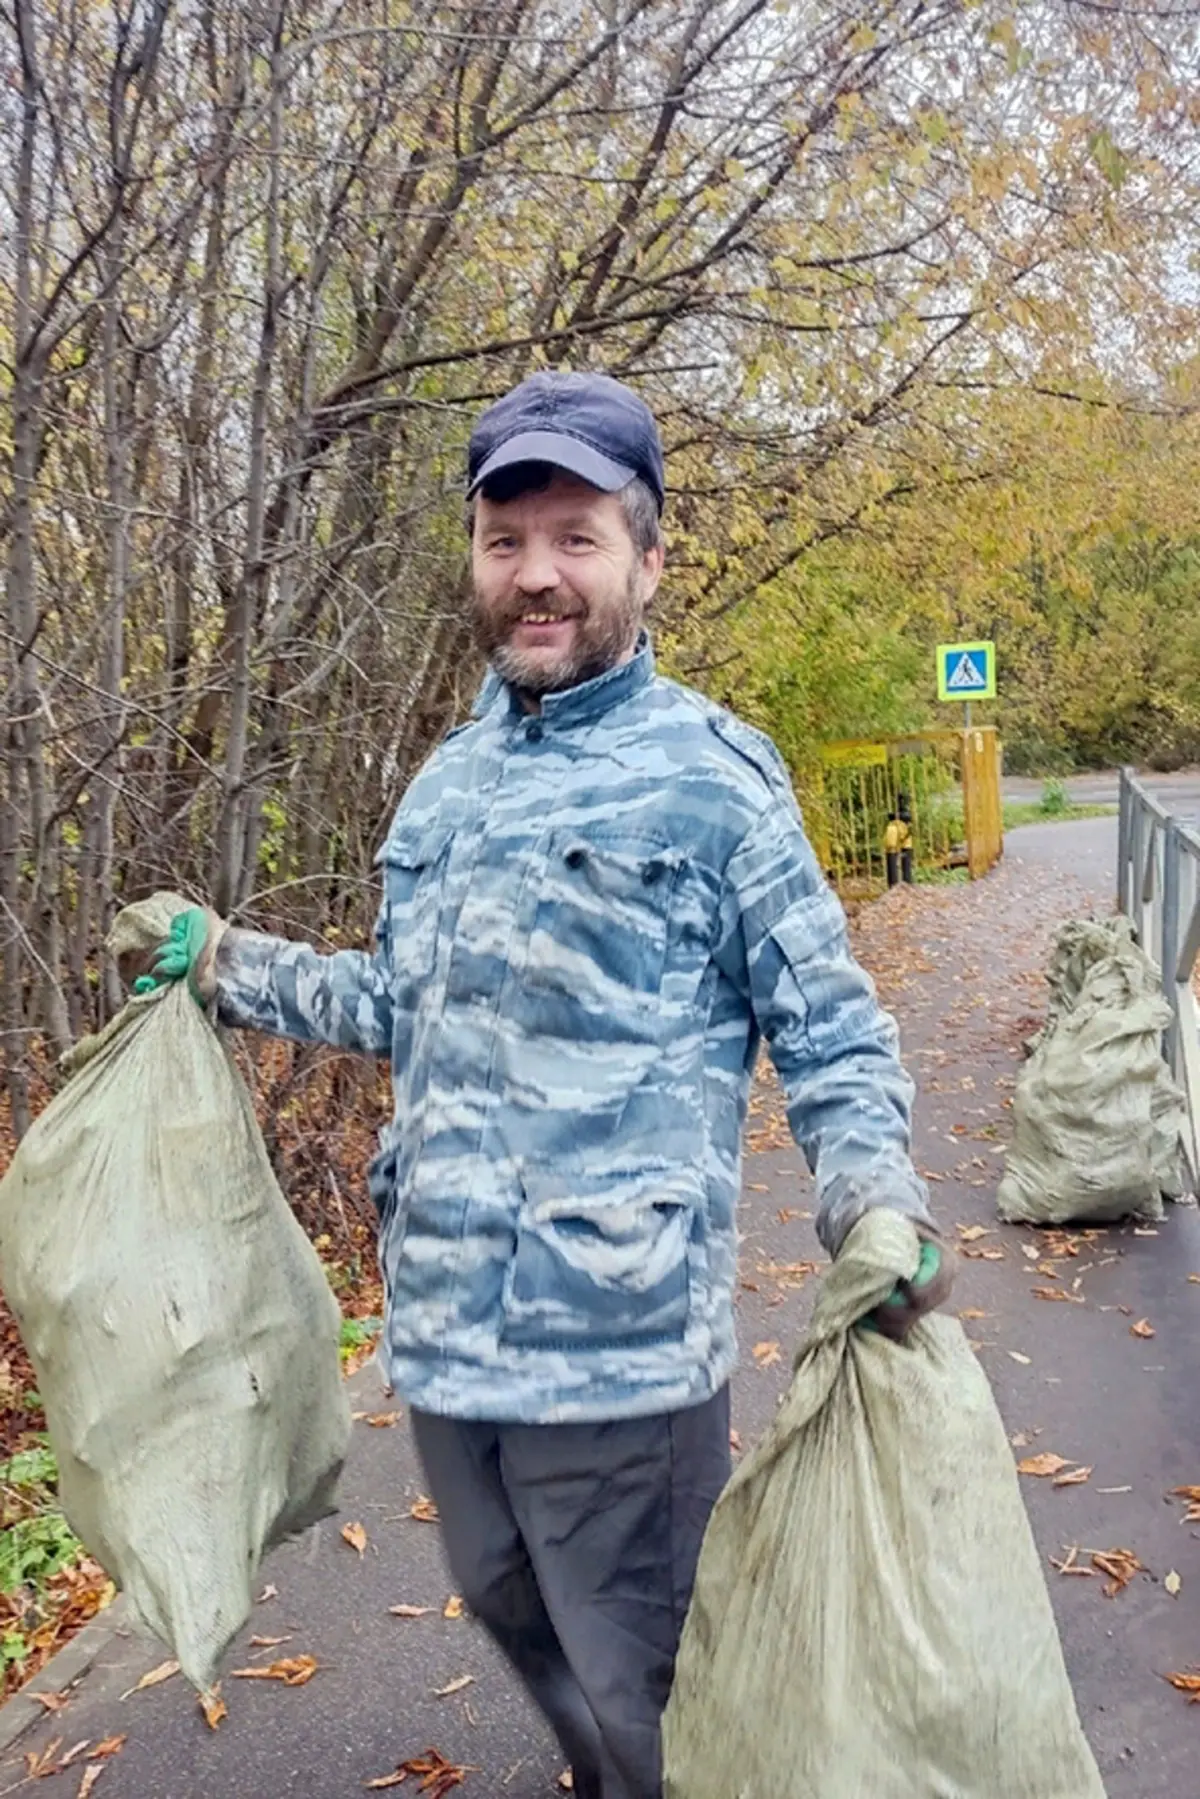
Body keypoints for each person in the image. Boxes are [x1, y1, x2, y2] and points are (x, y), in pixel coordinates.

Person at [141, 371, 953, 1799]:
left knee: (648, 1683)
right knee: (517, 1616)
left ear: (647, 557)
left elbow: (827, 1028)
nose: (537, 575)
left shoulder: (713, 780)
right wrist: (223, 960)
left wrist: (873, 1199)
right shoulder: (445, 784)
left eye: (575, 536)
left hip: (620, 1353)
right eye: (505, 539)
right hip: (447, 1338)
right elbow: (397, 1004)